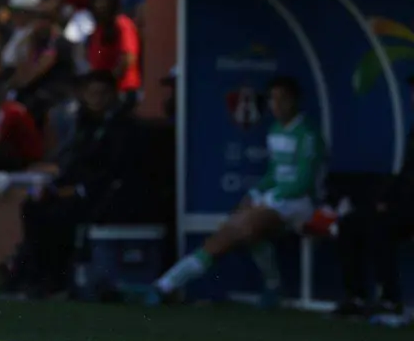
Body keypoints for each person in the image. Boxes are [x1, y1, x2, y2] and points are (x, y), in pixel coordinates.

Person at [130, 76, 325, 306]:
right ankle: (166, 286)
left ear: (295, 101)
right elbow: (273, 173)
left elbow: (304, 181)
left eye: (283, 99)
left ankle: (166, 285)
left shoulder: (308, 133)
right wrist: (253, 195)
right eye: (273, 99)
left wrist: (268, 199)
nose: (277, 105)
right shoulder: (274, 130)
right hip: (276, 201)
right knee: (240, 230)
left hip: (301, 203)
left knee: (239, 227)